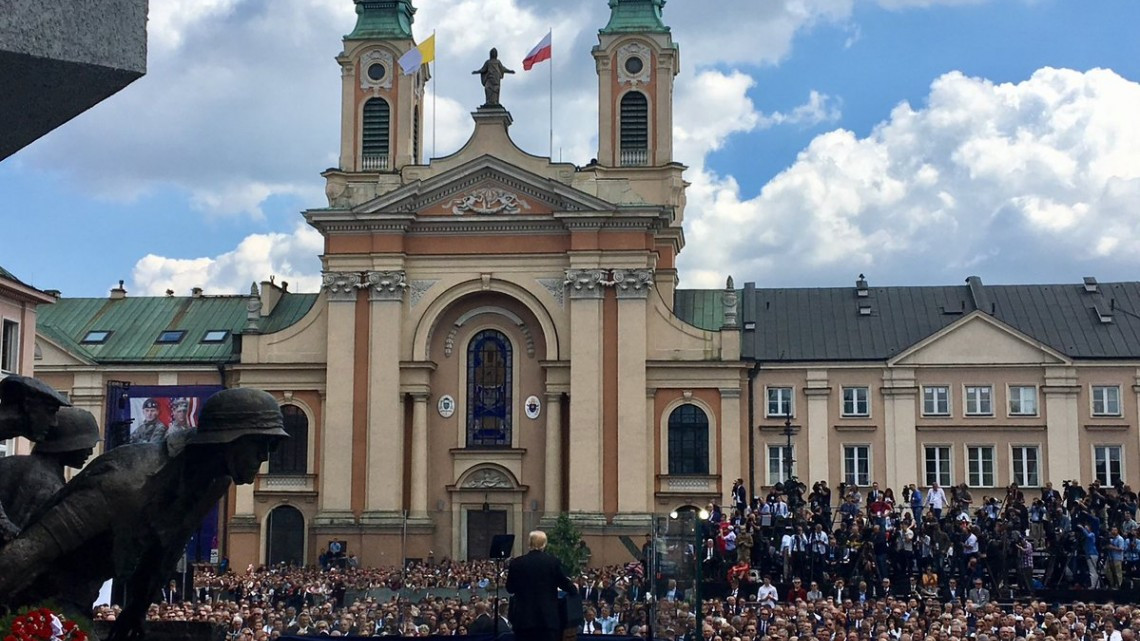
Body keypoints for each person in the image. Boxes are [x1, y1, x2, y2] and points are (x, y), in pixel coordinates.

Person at [0, 387, 289, 640]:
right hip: (30, 593)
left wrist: (137, 609)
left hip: (79, 594)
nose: (265, 457)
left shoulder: (213, 482)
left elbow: (167, 551)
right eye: (260, 444)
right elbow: (29, 551)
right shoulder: (128, 482)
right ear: (228, 441)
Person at [505, 530, 576, 641]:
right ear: (544, 544)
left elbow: (510, 588)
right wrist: (574, 589)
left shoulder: (517, 563)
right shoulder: (552, 562)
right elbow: (565, 584)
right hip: (547, 620)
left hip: (523, 620)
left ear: (529, 543)